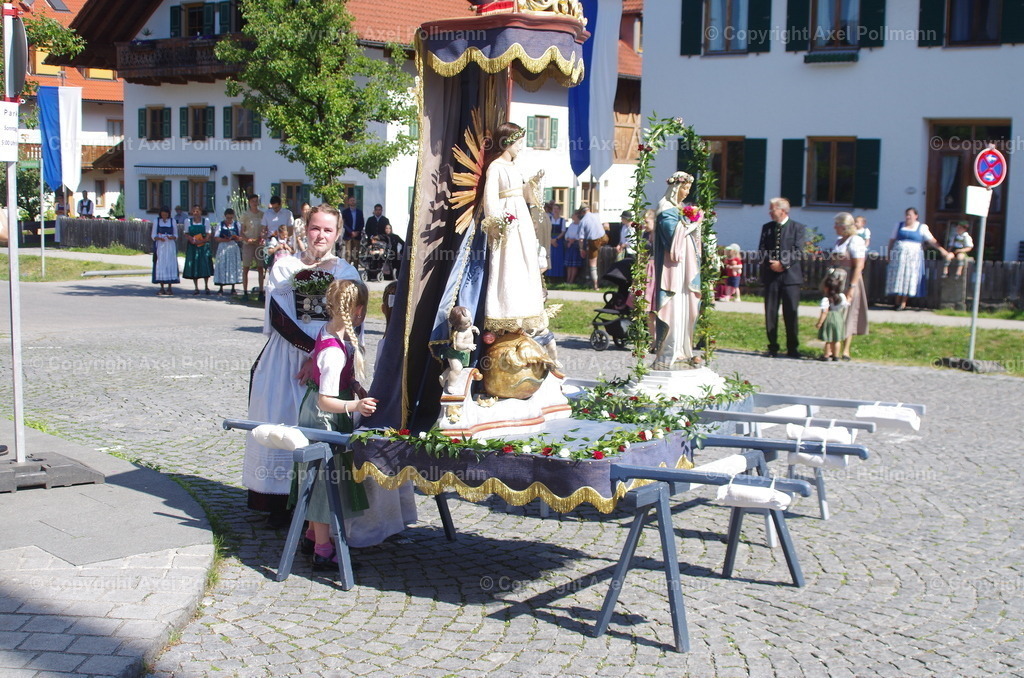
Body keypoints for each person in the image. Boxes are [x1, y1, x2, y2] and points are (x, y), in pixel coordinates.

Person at [243, 204, 362, 527]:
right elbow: (279, 316)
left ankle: (315, 510)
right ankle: (278, 499)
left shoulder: (346, 273)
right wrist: (310, 350)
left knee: (318, 423)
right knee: (280, 416)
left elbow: (352, 320)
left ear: (337, 234)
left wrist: (323, 356)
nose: (320, 235)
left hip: (329, 357)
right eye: (315, 228)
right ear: (304, 230)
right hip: (286, 357)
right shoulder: (285, 266)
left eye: (327, 229)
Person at [480, 121, 547, 333]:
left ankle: (524, 310)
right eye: (517, 141)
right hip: (508, 222)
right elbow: (490, 199)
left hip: (522, 220)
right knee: (508, 265)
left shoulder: (516, 166)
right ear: (506, 142)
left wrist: (533, 183)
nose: (520, 146)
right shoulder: (496, 167)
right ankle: (505, 312)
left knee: (525, 263)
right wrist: (496, 223)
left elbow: (525, 195)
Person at [650, 171, 703, 370]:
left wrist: (692, 224)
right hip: (673, 270)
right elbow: (673, 242)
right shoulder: (666, 209)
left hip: (684, 271)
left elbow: (688, 237)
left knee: (686, 307)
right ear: (675, 188)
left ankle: (683, 349)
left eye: (689, 188)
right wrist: (693, 224)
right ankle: (668, 351)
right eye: (684, 188)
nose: (686, 192)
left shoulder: (679, 209)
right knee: (673, 307)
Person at [758, 197, 806, 358]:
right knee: (771, 312)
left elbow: (798, 250)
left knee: (790, 313)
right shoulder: (767, 228)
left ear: (782, 210)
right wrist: (771, 262)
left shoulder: (797, 228)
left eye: (772, 210)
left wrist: (783, 263)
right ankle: (773, 347)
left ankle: (792, 347)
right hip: (771, 275)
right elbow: (762, 249)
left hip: (790, 277)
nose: (770, 213)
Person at [885, 207, 952, 311]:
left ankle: (903, 303)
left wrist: (942, 250)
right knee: (898, 277)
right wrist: (888, 253)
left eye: (910, 215)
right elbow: (891, 240)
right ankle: (896, 301)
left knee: (908, 277)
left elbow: (932, 241)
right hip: (898, 257)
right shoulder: (898, 225)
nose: (908, 217)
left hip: (912, 258)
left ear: (916, 216)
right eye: (907, 215)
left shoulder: (921, 227)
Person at [831, 212, 868, 361]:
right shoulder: (839, 241)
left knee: (848, 313)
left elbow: (859, 266)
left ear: (844, 226)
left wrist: (852, 287)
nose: (834, 227)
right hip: (836, 280)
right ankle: (833, 348)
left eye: (837, 225)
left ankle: (845, 350)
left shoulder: (856, 241)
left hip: (849, 280)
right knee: (835, 313)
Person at [442, 306, 479, 393]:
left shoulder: (467, 327)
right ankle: (451, 385)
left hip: (462, 354)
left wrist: (474, 328)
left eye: (470, 320)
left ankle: (444, 376)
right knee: (457, 369)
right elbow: (457, 345)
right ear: (458, 326)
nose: (470, 323)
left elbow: (470, 327)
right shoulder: (460, 334)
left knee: (455, 368)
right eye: (466, 323)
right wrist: (467, 346)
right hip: (454, 354)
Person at [815, 272, 848, 361]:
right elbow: (845, 306)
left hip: (829, 318)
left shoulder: (826, 299)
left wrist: (820, 322)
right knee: (837, 339)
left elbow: (824, 312)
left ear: (827, 288)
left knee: (828, 339)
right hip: (838, 317)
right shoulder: (842, 297)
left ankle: (826, 355)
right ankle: (836, 356)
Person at [183, 204, 214, 295]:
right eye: (194, 211)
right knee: (194, 266)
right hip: (193, 246)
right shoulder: (188, 221)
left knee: (205, 265)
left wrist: (203, 241)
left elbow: (208, 233)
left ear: (201, 211)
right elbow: (186, 233)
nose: (195, 213)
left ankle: (206, 286)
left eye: (197, 211)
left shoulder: (206, 221)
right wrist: (191, 239)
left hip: (203, 246)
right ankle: (196, 287)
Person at [240, 194, 265, 301]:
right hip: (248, 243)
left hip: (258, 243)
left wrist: (260, 237)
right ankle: (245, 291)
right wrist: (246, 239)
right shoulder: (245, 215)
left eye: (256, 201)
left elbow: (264, 228)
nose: (255, 203)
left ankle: (260, 291)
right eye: (253, 201)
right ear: (249, 202)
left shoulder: (262, 214)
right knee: (246, 267)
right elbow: (241, 231)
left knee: (260, 268)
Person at [578, 202, 608, 290]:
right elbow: (606, 225)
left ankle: (595, 285)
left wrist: (581, 249)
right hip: (604, 238)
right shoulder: (597, 215)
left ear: (582, 212)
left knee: (593, 263)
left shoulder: (582, 221)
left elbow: (580, 239)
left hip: (593, 242)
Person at [213, 208, 243, 296]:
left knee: (233, 266)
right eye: (228, 218)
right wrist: (225, 239)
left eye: (231, 218)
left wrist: (237, 238)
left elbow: (241, 236)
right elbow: (216, 237)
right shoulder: (220, 224)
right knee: (222, 265)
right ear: (225, 216)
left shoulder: (237, 224)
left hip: (233, 247)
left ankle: (233, 287)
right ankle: (221, 287)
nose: (229, 220)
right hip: (223, 246)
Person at [151, 207, 179, 296]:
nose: (164, 216)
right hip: (160, 245)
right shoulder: (157, 221)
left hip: (170, 245)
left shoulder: (172, 221)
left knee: (170, 264)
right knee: (161, 264)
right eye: (163, 214)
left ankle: (170, 287)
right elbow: (153, 235)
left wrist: (172, 237)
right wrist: (159, 238)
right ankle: (162, 287)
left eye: (166, 214)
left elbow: (176, 235)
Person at [260, 195, 294, 267]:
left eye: (276, 207)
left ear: (280, 204)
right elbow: (263, 229)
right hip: (272, 241)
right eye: (273, 208)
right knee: (271, 267)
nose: (275, 209)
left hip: (284, 242)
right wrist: (265, 236)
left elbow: (291, 230)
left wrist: (286, 240)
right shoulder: (267, 213)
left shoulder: (288, 213)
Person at [340, 195, 364, 264]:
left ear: (356, 201)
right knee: (348, 255)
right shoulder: (345, 212)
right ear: (348, 202)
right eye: (351, 200)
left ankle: (355, 271)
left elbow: (362, 223)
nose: (352, 202)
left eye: (354, 200)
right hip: (348, 236)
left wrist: (357, 232)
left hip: (357, 236)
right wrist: (351, 232)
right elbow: (344, 223)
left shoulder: (359, 212)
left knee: (356, 255)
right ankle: (347, 272)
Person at [546, 203, 566, 279]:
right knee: (550, 256)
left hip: (558, 240)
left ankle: (558, 275)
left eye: (557, 209)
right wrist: (551, 239)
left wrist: (556, 239)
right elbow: (547, 230)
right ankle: (549, 275)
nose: (556, 210)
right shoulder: (549, 219)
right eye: (554, 209)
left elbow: (563, 231)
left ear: (560, 210)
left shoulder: (562, 220)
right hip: (550, 239)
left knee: (558, 257)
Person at [563, 210, 582, 285]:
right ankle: (568, 279)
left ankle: (572, 280)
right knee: (569, 264)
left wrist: (573, 240)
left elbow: (580, 235)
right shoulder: (571, 225)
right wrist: (568, 239)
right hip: (569, 245)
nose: (572, 216)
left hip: (576, 245)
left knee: (574, 265)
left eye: (573, 215)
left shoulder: (580, 225)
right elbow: (566, 235)